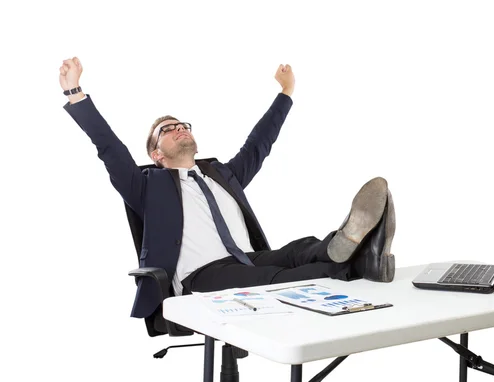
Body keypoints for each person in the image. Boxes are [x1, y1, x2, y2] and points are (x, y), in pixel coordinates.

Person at [59, 57, 396, 319]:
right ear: (155, 154)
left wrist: (285, 92)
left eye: (182, 125)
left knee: (301, 248)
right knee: (276, 279)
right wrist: (76, 92)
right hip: (200, 277)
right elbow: (109, 148)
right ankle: (364, 263)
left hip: (247, 260)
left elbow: (259, 144)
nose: (179, 129)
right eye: (167, 129)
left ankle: (347, 245)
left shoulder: (221, 175)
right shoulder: (145, 187)